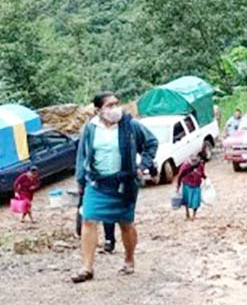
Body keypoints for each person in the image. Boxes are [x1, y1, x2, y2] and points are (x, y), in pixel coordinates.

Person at [72, 92, 157, 284]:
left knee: (126, 223)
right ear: (98, 110)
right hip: (97, 183)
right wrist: (80, 181)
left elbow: (151, 143)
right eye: (109, 105)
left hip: (124, 184)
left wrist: (143, 165)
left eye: (116, 104)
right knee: (88, 220)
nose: (115, 108)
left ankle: (129, 258)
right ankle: (87, 267)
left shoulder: (130, 126)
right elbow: (82, 155)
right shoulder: (90, 128)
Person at [175, 153, 206, 221]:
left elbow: (202, 173)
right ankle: (187, 214)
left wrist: (205, 178)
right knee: (187, 200)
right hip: (187, 185)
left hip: (196, 185)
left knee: (196, 201)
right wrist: (178, 185)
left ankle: (193, 216)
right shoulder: (185, 165)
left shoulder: (200, 165)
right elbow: (180, 175)